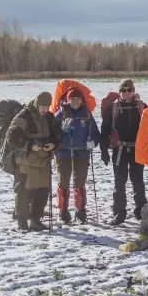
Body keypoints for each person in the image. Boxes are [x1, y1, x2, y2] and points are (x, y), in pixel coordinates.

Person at [6, 92, 62, 231]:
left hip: (43, 160)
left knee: (43, 190)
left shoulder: (49, 117)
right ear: (37, 104)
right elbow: (11, 137)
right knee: (25, 190)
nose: (44, 110)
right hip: (26, 160)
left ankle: (36, 220)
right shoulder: (24, 116)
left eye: (47, 107)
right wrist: (30, 145)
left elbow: (58, 134)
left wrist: (53, 144)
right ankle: (22, 221)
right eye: (42, 106)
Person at [100, 80, 147, 226]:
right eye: (124, 90)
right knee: (119, 182)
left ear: (134, 91)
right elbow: (105, 129)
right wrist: (103, 150)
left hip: (137, 149)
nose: (127, 93)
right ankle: (119, 213)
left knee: (138, 181)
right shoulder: (112, 108)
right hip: (119, 150)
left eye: (130, 90)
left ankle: (141, 211)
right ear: (120, 92)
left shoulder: (142, 107)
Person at [54, 87, 101, 224]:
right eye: (72, 99)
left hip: (82, 152)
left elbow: (94, 131)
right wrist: (62, 131)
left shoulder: (86, 113)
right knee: (63, 182)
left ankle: (81, 210)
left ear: (82, 100)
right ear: (68, 100)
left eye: (78, 99)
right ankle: (63, 211)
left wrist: (93, 141)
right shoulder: (61, 113)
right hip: (63, 153)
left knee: (80, 182)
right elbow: (52, 132)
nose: (75, 102)